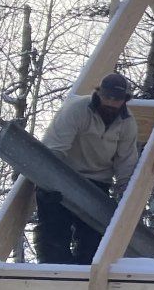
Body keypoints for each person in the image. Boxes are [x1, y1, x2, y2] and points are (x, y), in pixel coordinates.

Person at [34, 72, 139, 265]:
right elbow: (54, 148)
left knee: (94, 242)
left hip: (97, 184)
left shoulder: (127, 123)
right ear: (99, 94)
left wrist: (126, 200)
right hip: (64, 177)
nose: (110, 102)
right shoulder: (77, 110)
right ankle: (52, 276)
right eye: (107, 97)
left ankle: (85, 284)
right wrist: (48, 182)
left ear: (124, 100)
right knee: (54, 233)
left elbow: (126, 163)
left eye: (116, 99)